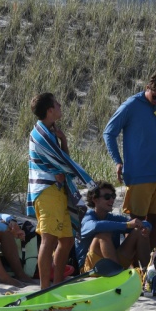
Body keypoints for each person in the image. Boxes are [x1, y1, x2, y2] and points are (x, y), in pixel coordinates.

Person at [103, 73, 156, 250]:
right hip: (139, 176)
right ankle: (133, 264)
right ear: (147, 88)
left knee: (155, 225)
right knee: (137, 225)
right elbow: (109, 133)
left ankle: (154, 263)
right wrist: (118, 161)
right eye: (155, 96)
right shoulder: (131, 105)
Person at [27, 92, 94, 289]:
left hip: (58, 191)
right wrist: (90, 183)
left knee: (66, 239)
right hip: (47, 191)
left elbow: (62, 160)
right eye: (57, 104)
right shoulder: (40, 134)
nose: (60, 106)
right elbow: (61, 163)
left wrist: (63, 140)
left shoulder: (50, 133)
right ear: (50, 110)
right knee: (48, 240)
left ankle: (57, 283)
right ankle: (44, 288)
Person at [76, 182, 151, 274]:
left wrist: (145, 228)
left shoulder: (114, 218)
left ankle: (148, 274)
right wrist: (126, 225)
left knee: (139, 231)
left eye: (113, 196)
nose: (111, 200)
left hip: (114, 262)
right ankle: (118, 275)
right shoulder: (87, 217)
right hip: (89, 268)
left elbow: (145, 224)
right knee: (103, 235)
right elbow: (96, 226)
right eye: (107, 197)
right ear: (95, 199)